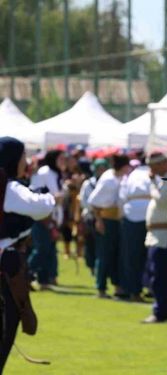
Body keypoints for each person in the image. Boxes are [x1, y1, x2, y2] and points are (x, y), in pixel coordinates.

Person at [0, 137, 55, 371]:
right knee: (5, 330)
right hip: (6, 268)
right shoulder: (9, 188)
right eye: (23, 156)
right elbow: (42, 206)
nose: (26, 161)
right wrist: (46, 195)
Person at [142, 152, 167, 323]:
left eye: (153, 166)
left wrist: (151, 184)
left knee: (160, 275)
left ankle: (162, 311)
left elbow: (162, 199)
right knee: (158, 274)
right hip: (158, 235)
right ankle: (165, 311)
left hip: (165, 235)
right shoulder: (166, 177)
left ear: (162, 164)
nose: (152, 171)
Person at [88, 154, 130, 299]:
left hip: (117, 219)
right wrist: (98, 220)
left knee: (117, 254)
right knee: (104, 254)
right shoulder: (108, 179)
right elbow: (94, 201)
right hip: (106, 218)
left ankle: (118, 287)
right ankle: (101, 288)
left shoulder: (119, 178)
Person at [29, 150, 67, 289]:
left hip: (53, 216)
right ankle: (25, 276)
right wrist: (52, 198)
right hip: (42, 216)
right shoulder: (44, 172)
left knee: (49, 250)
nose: (64, 161)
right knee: (42, 249)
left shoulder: (56, 173)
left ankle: (44, 280)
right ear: (53, 159)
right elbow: (35, 192)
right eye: (61, 158)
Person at [118, 159, 151, 301]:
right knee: (148, 255)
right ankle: (149, 288)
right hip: (149, 215)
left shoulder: (129, 177)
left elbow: (121, 197)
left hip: (131, 216)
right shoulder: (150, 174)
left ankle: (133, 290)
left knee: (132, 256)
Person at [78, 158, 109, 274]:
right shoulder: (88, 183)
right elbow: (83, 200)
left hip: (105, 216)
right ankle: (91, 266)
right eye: (99, 169)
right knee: (90, 243)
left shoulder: (108, 182)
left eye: (103, 169)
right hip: (90, 217)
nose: (101, 171)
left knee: (102, 245)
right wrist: (94, 209)